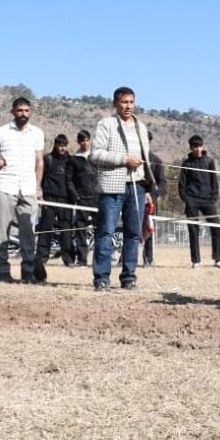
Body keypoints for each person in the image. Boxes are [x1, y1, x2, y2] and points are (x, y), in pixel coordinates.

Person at [89, 86, 155, 291]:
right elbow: (96, 154)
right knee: (106, 232)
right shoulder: (106, 124)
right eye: (124, 102)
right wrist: (124, 160)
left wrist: (148, 186)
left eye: (131, 102)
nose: (128, 106)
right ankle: (101, 278)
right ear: (115, 104)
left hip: (138, 186)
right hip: (112, 186)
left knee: (134, 233)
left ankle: (129, 278)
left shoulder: (141, 127)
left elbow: (145, 159)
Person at [0, 97, 45, 284]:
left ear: (30, 112)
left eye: (26, 110)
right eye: (20, 110)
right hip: (6, 186)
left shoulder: (37, 133)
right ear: (13, 112)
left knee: (28, 232)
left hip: (28, 188)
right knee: (3, 231)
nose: (23, 114)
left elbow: (39, 161)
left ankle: (28, 272)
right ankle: (3, 271)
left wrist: (38, 187)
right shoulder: (2, 131)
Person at [178, 135, 220, 268]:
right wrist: (186, 199)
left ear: (202, 146)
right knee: (193, 230)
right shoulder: (186, 164)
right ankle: (196, 261)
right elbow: (181, 184)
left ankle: (218, 259)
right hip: (192, 200)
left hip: (207, 200)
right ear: (191, 148)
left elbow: (214, 181)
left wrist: (214, 197)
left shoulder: (209, 162)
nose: (197, 149)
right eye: (194, 146)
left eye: (199, 146)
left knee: (216, 227)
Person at [35, 134, 75, 279]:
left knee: (66, 229)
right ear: (56, 145)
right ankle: (42, 256)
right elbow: (40, 177)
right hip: (50, 199)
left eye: (64, 145)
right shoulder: (48, 159)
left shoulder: (71, 161)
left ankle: (68, 258)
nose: (62, 148)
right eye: (60, 145)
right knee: (45, 228)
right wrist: (40, 194)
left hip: (66, 200)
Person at [66, 129, 98, 267]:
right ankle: (82, 260)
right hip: (81, 199)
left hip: (97, 198)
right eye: (82, 141)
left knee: (100, 229)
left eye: (87, 140)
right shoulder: (74, 159)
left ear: (90, 140)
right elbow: (69, 179)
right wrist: (75, 195)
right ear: (79, 142)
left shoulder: (96, 156)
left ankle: (100, 260)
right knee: (80, 230)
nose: (85, 143)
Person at [142, 131, 167, 267]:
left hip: (149, 203)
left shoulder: (156, 161)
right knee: (129, 228)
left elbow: (162, 183)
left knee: (148, 230)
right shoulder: (133, 158)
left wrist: (152, 196)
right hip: (133, 199)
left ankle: (148, 259)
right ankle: (125, 258)